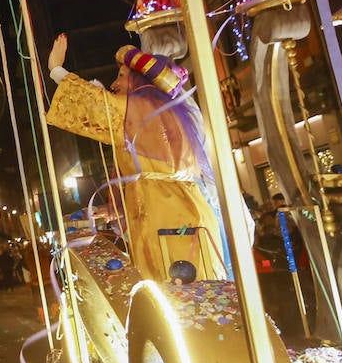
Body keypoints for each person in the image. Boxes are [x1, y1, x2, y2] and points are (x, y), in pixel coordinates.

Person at [47, 32, 226, 282]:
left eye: (121, 76)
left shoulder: (146, 110)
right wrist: (114, 212)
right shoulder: (157, 114)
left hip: (173, 218)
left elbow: (98, 104)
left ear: (140, 81)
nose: (114, 84)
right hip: (168, 212)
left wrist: (56, 70)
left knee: (182, 295)